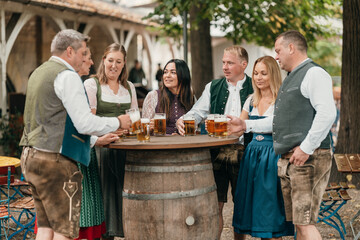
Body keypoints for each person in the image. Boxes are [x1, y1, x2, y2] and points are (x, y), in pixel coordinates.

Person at [19, 29, 131, 240]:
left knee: (45, 229)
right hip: (56, 161)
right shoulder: (67, 76)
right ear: (69, 51)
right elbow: (84, 123)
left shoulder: (40, 72)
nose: (86, 59)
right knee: (65, 232)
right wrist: (118, 121)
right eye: (83, 53)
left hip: (31, 156)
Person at [228, 30, 336, 240]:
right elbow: (278, 123)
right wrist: (245, 124)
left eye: (278, 51)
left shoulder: (314, 73)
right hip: (296, 159)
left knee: (305, 222)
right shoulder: (292, 78)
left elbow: (327, 113)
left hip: (310, 157)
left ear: (291, 48)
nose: (276, 56)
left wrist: (306, 147)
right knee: (299, 223)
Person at [176, 45, 253, 239]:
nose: (225, 67)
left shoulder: (256, 87)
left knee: (241, 206)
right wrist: (184, 120)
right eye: (223, 62)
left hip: (245, 151)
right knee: (215, 204)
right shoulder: (213, 86)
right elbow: (197, 112)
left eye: (230, 63)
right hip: (216, 151)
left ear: (244, 65)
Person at [232, 56, 294, 240]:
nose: (258, 77)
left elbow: (274, 125)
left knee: (269, 211)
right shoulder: (251, 100)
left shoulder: (281, 99)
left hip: (272, 157)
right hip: (251, 157)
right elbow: (238, 128)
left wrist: (243, 125)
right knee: (246, 206)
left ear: (273, 74)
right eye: (256, 73)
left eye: (264, 73)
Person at [84, 43, 138, 239]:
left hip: (124, 151)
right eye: (110, 60)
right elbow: (89, 122)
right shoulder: (92, 85)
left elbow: (134, 121)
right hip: (101, 150)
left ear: (124, 64)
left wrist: (130, 127)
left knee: (122, 200)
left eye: (118, 61)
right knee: (104, 204)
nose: (113, 65)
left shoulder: (129, 87)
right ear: (103, 61)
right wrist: (115, 127)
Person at [76, 47, 111, 240]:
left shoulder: (77, 83)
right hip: (75, 154)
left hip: (85, 152)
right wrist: (98, 139)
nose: (92, 63)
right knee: (79, 211)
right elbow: (76, 125)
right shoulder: (77, 85)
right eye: (88, 59)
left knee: (90, 210)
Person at [142, 59, 195, 134]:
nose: (167, 75)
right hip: (160, 144)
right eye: (165, 72)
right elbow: (143, 130)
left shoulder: (191, 97)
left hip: (185, 144)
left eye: (173, 72)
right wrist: (149, 128)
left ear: (183, 75)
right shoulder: (153, 96)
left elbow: (196, 128)